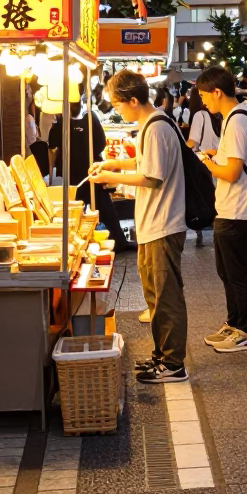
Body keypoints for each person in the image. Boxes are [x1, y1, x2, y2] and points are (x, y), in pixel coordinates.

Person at [91, 71, 189, 382]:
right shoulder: (150, 125)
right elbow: (146, 165)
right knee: (155, 295)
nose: (117, 110)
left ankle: (173, 364)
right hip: (154, 223)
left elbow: (153, 177)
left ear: (134, 100)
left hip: (163, 223)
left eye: (119, 105)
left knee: (166, 296)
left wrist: (110, 178)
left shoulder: (156, 127)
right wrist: (113, 164)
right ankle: (162, 357)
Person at [198, 66, 247, 352]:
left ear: (217, 92)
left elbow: (233, 172)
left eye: (204, 95)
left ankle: (245, 331)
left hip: (237, 208)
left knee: (237, 273)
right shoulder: (235, 118)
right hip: (229, 208)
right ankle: (233, 324)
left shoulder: (236, 121)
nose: (203, 102)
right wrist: (216, 155)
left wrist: (208, 164)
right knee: (227, 271)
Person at [48, 102, 131, 253]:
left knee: (74, 212)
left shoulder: (59, 124)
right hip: (91, 171)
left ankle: (74, 246)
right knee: (104, 208)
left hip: (73, 174)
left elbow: (52, 148)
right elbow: (100, 144)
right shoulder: (91, 118)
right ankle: (118, 240)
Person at [186, 88, 220, 247]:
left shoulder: (200, 115)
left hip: (205, 163)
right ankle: (218, 232)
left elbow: (193, 142)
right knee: (218, 199)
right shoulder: (222, 115)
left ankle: (200, 230)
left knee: (204, 197)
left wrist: (183, 151)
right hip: (222, 162)